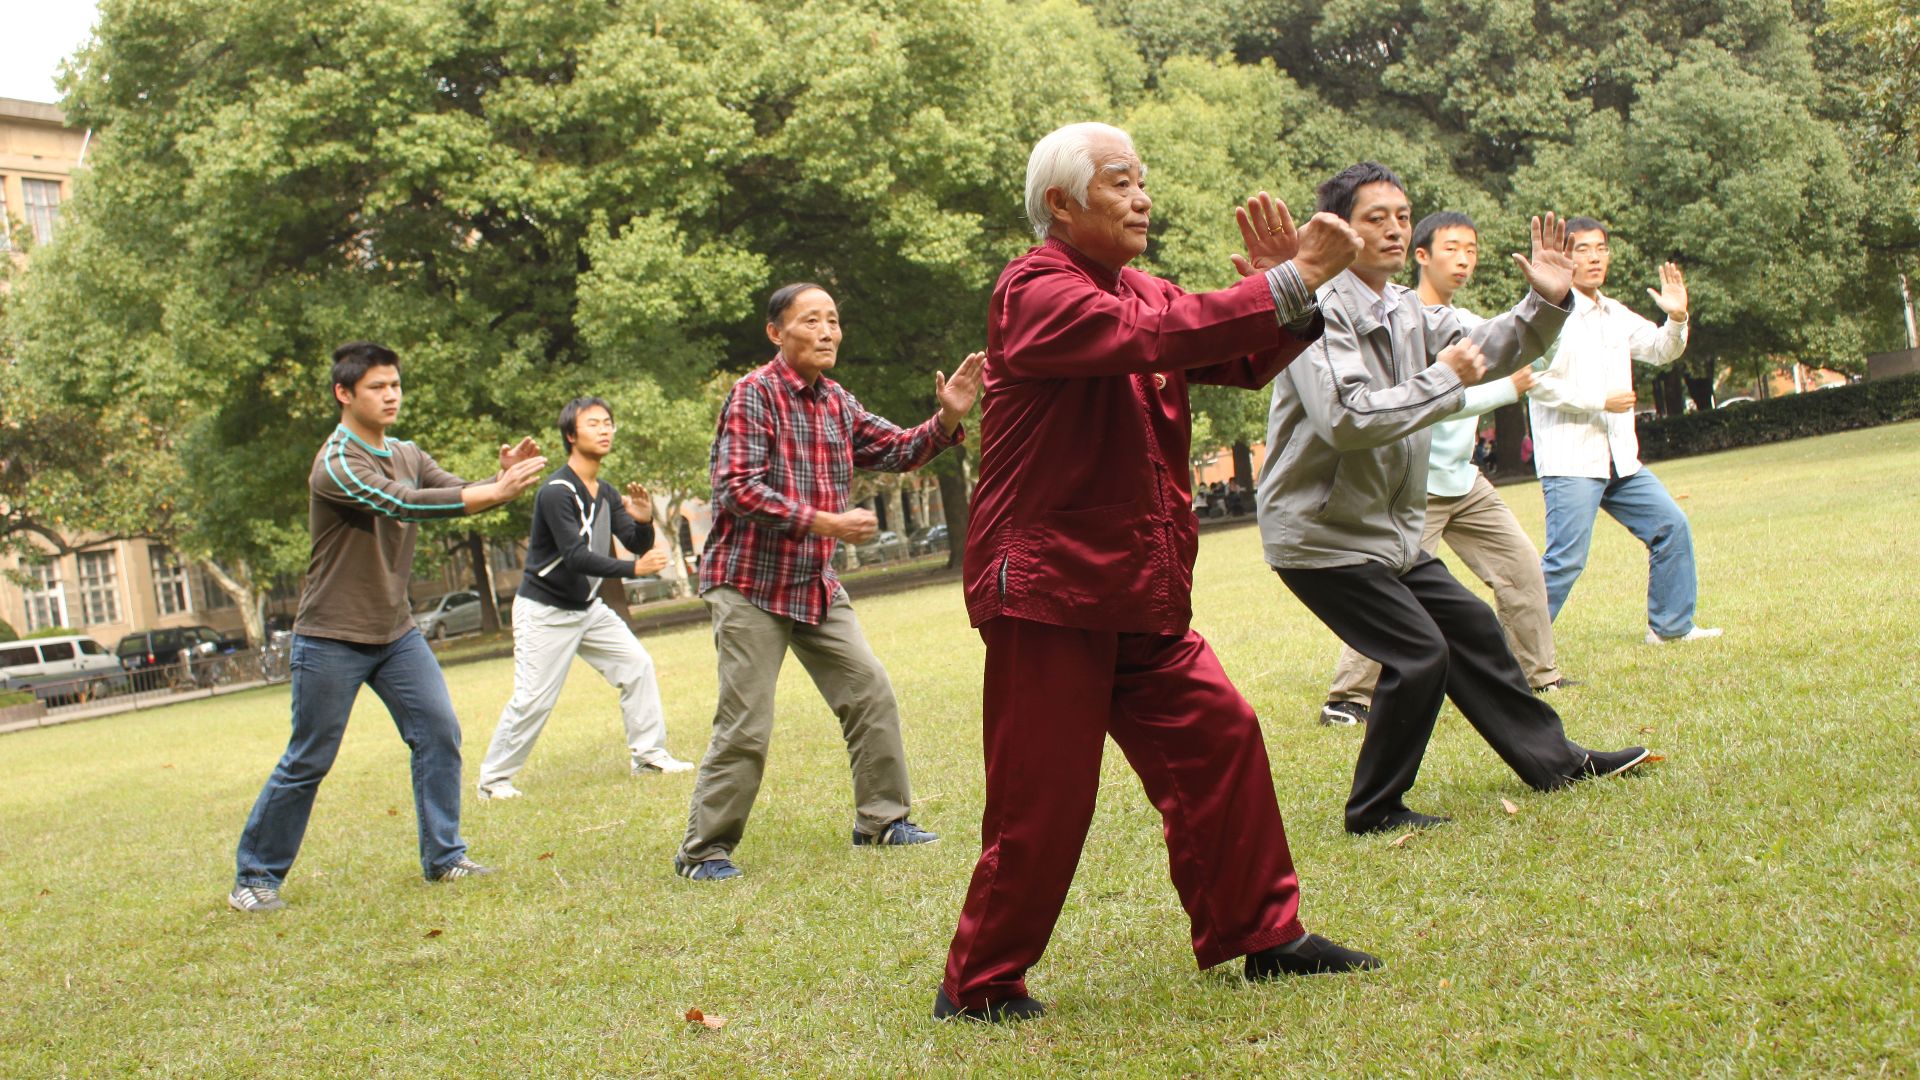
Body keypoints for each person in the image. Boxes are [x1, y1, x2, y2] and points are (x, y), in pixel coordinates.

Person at [936, 122, 1381, 1026]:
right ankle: (978, 985)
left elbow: (1238, 354)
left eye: (1143, 180)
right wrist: (1287, 279)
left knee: (1220, 734)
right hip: (1051, 588)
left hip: (1135, 584)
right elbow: (1158, 334)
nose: (1142, 197)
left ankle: (1264, 935)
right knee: (1044, 798)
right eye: (1119, 182)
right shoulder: (1035, 289)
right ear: (1061, 205)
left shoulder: (1138, 287)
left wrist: (1287, 291)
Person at [1255, 163, 1652, 837]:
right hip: (1322, 535)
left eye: (1402, 216)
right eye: (1374, 217)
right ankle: (1375, 808)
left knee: (1469, 627)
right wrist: (1443, 380)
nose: (1392, 228)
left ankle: (1552, 760)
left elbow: (1491, 347)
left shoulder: (1406, 309)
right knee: (1419, 655)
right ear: (1336, 231)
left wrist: (1546, 303)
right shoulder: (1314, 313)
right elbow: (1347, 419)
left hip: (1388, 532)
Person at [672, 284, 984, 882]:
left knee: (869, 691)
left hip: (812, 582)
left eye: (833, 321)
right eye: (810, 320)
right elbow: (737, 487)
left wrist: (947, 416)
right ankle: (703, 852)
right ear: (776, 333)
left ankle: (882, 821)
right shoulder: (752, 396)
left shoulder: (836, 402)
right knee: (747, 721)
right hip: (748, 584)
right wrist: (826, 521)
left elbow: (896, 449)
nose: (826, 332)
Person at [228, 342, 548, 913]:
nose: (391, 394)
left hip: (395, 632)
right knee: (310, 758)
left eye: (395, 384)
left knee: (438, 731)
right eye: (377, 386)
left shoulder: (405, 450)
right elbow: (407, 505)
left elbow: (443, 489)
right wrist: (490, 493)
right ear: (344, 393)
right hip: (331, 635)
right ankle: (254, 877)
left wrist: (494, 480)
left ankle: (445, 857)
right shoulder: (336, 462)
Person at [1318, 211, 1572, 728]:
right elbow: (1430, 401)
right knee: (1390, 591)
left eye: (1472, 250)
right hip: (1415, 487)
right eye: (1453, 248)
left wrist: (1559, 301)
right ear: (1422, 255)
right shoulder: (1392, 324)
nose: (1464, 259)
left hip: (1463, 478)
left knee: (1521, 566)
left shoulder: (1469, 323)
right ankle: (1346, 698)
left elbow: (1533, 354)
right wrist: (1507, 388)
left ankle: (1540, 674)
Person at [475, 396, 695, 802]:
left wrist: (644, 519)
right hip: (544, 610)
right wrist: (634, 570)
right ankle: (493, 782)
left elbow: (633, 541)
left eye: (608, 422)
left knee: (637, 666)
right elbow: (576, 557)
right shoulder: (556, 492)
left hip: (588, 609)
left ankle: (648, 756)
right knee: (533, 699)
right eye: (593, 423)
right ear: (571, 436)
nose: (605, 429)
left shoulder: (606, 491)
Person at [1529, 217, 1719, 644]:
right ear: (1564, 256)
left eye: (1601, 248)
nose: (1594, 257)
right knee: (1565, 561)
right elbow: (1534, 383)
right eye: (1583, 249)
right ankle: (1505, 654)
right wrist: (1600, 400)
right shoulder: (1547, 313)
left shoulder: (1614, 312)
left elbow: (1660, 349)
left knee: (1671, 525)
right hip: (1571, 459)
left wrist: (1677, 317)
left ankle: (1670, 627)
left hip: (1620, 460)